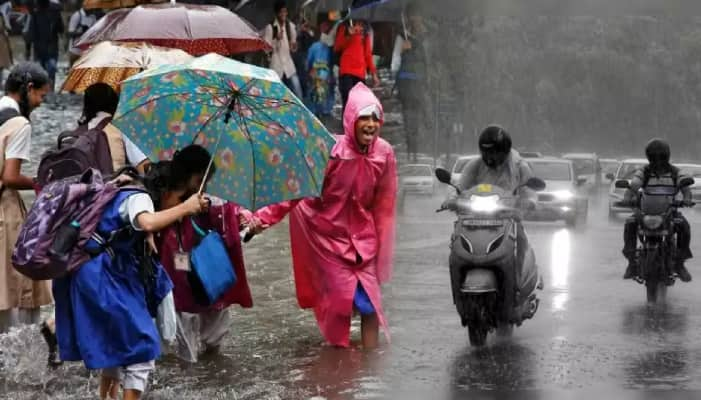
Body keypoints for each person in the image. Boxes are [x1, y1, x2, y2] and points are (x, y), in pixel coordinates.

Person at [248, 82, 397, 349]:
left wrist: (383, 254)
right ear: (351, 119)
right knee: (339, 308)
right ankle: (340, 370)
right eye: (364, 117)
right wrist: (262, 219)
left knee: (370, 305)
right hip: (327, 237)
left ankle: (367, 371)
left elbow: (385, 206)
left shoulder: (384, 154)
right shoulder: (330, 151)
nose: (371, 124)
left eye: (376, 118)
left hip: (363, 242)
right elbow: (296, 190)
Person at [52, 171, 209, 400]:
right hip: (102, 276)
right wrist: (186, 207)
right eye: (179, 197)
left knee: (115, 345)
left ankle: (107, 398)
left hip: (83, 273)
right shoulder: (140, 197)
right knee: (142, 348)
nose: (176, 207)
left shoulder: (116, 189)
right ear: (165, 193)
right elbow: (146, 219)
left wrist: (146, 234)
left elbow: (126, 223)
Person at [151, 145, 253, 363]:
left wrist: (239, 216)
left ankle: (210, 361)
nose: (204, 185)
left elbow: (227, 219)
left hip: (207, 266)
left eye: (206, 181)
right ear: (186, 176)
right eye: (200, 180)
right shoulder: (166, 193)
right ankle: (188, 365)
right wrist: (183, 208)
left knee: (214, 315)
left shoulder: (212, 196)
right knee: (182, 319)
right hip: (178, 268)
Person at [0, 63, 52, 334]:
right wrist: (37, 182)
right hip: (4, 210)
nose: (41, 103)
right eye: (41, 96)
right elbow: (10, 177)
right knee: (14, 281)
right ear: (28, 88)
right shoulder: (19, 123)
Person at [621, 138, 693, 282]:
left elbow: (686, 189)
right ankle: (631, 263)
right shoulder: (644, 172)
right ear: (649, 157)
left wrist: (687, 199)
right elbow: (634, 185)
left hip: (669, 214)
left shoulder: (676, 172)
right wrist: (627, 197)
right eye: (654, 156)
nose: (658, 160)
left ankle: (680, 264)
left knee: (684, 226)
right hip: (645, 213)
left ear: (667, 156)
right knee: (630, 223)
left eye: (661, 156)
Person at [78, 83, 150, 174]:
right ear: (115, 103)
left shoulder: (80, 131)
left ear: (86, 105)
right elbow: (141, 165)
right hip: (116, 183)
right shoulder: (123, 128)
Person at [391, 2, 429, 157]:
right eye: (412, 16)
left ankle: (417, 147)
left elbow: (429, 59)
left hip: (420, 82)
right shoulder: (402, 36)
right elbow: (395, 60)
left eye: (417, 15)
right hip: (406, 82)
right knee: (408, 116)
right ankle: (410, 149)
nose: (414, 19)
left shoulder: (426, 36)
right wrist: (402, 49)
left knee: (418, 116)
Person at [334, 18, 380, 112]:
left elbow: (367, 54)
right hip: (346, 71)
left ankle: (356, 125)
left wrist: (374, 74)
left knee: (359, 103)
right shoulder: (345, 27)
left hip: (360, 73)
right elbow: (337, 47)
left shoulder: (365, 29)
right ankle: (346, 125)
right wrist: (349, 36)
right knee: (348, 101)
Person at [263, 1, 303, 99]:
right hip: (276, 65)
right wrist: (276, 39)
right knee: (275, 94)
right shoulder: (270, 27)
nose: (284, 14)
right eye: (281, 12)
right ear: (277, 13)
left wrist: (294, 46)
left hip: (288, 64)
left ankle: (299, 111)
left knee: (297, 91)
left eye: (285, 12)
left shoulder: (290, 26)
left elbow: (293, 47)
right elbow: (266, 49)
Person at [28, 0, 63, 90]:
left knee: (50, 70)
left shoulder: (54, 13)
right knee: (41, 73)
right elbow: (31, 33)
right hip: (40, 48)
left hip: (50, 48)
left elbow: (61, 29)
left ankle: (50, 92)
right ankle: (45, 92)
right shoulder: (36, 14)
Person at [306, 21, 335, 120]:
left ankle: (317, 112)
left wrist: (309, 70)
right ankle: (324, 111)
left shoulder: (314, 46)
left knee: (315, 93)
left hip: (316, 72)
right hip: (324, 72)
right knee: (324, 93)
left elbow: (309, 61)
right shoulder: (329, 47)